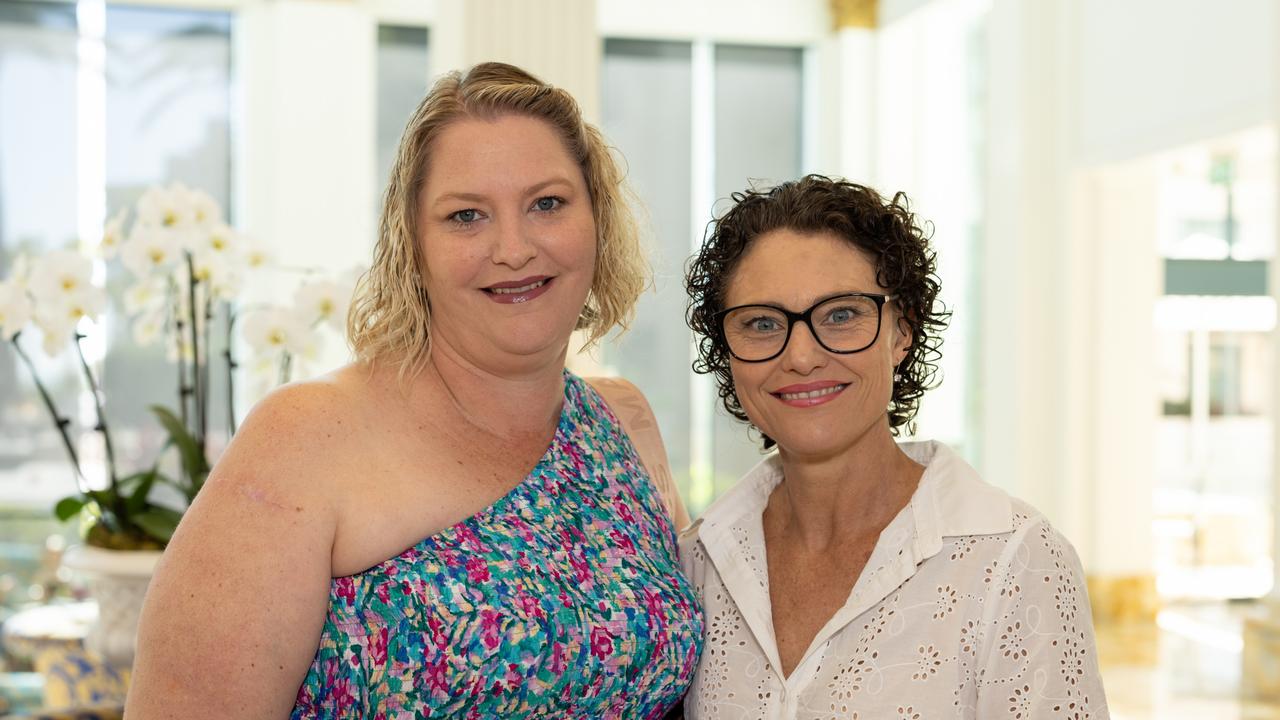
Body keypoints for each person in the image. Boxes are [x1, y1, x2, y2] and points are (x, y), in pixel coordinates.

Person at [125, 62, 702, 719]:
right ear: (413, 247)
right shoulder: (307, 437)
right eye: (466, 216)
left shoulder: (623, 421)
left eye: (547, 204)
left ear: (596, 219)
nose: (513, 248)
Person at [680, 175, 1108, 718]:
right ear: (728, 352)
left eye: (841, 315)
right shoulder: (698, 563)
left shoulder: (1015, 561)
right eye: (762, 324)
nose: (803, 356)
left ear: (901, 331)